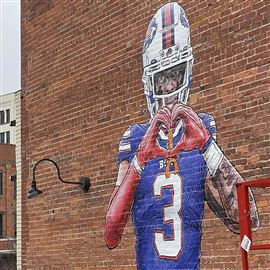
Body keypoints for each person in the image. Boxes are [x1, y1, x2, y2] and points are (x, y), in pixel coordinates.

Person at [105, 2, 259, 270]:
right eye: (162, 78)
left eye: (175, 76)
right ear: (149, 83)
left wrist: (208, 146)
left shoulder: (202, 129)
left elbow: (246, 221)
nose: (169, 87)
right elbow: (111, 234)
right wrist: (140, 160)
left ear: (187, 73)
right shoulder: (134, 137)